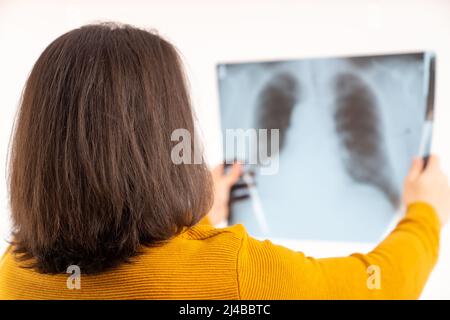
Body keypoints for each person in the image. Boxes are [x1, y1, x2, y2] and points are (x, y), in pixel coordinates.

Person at [0, 23, 449, 299]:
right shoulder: (234, 272)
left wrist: (194, 223)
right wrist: (425, 214)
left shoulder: (12, 274)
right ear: (162, 135)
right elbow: (377, 287)